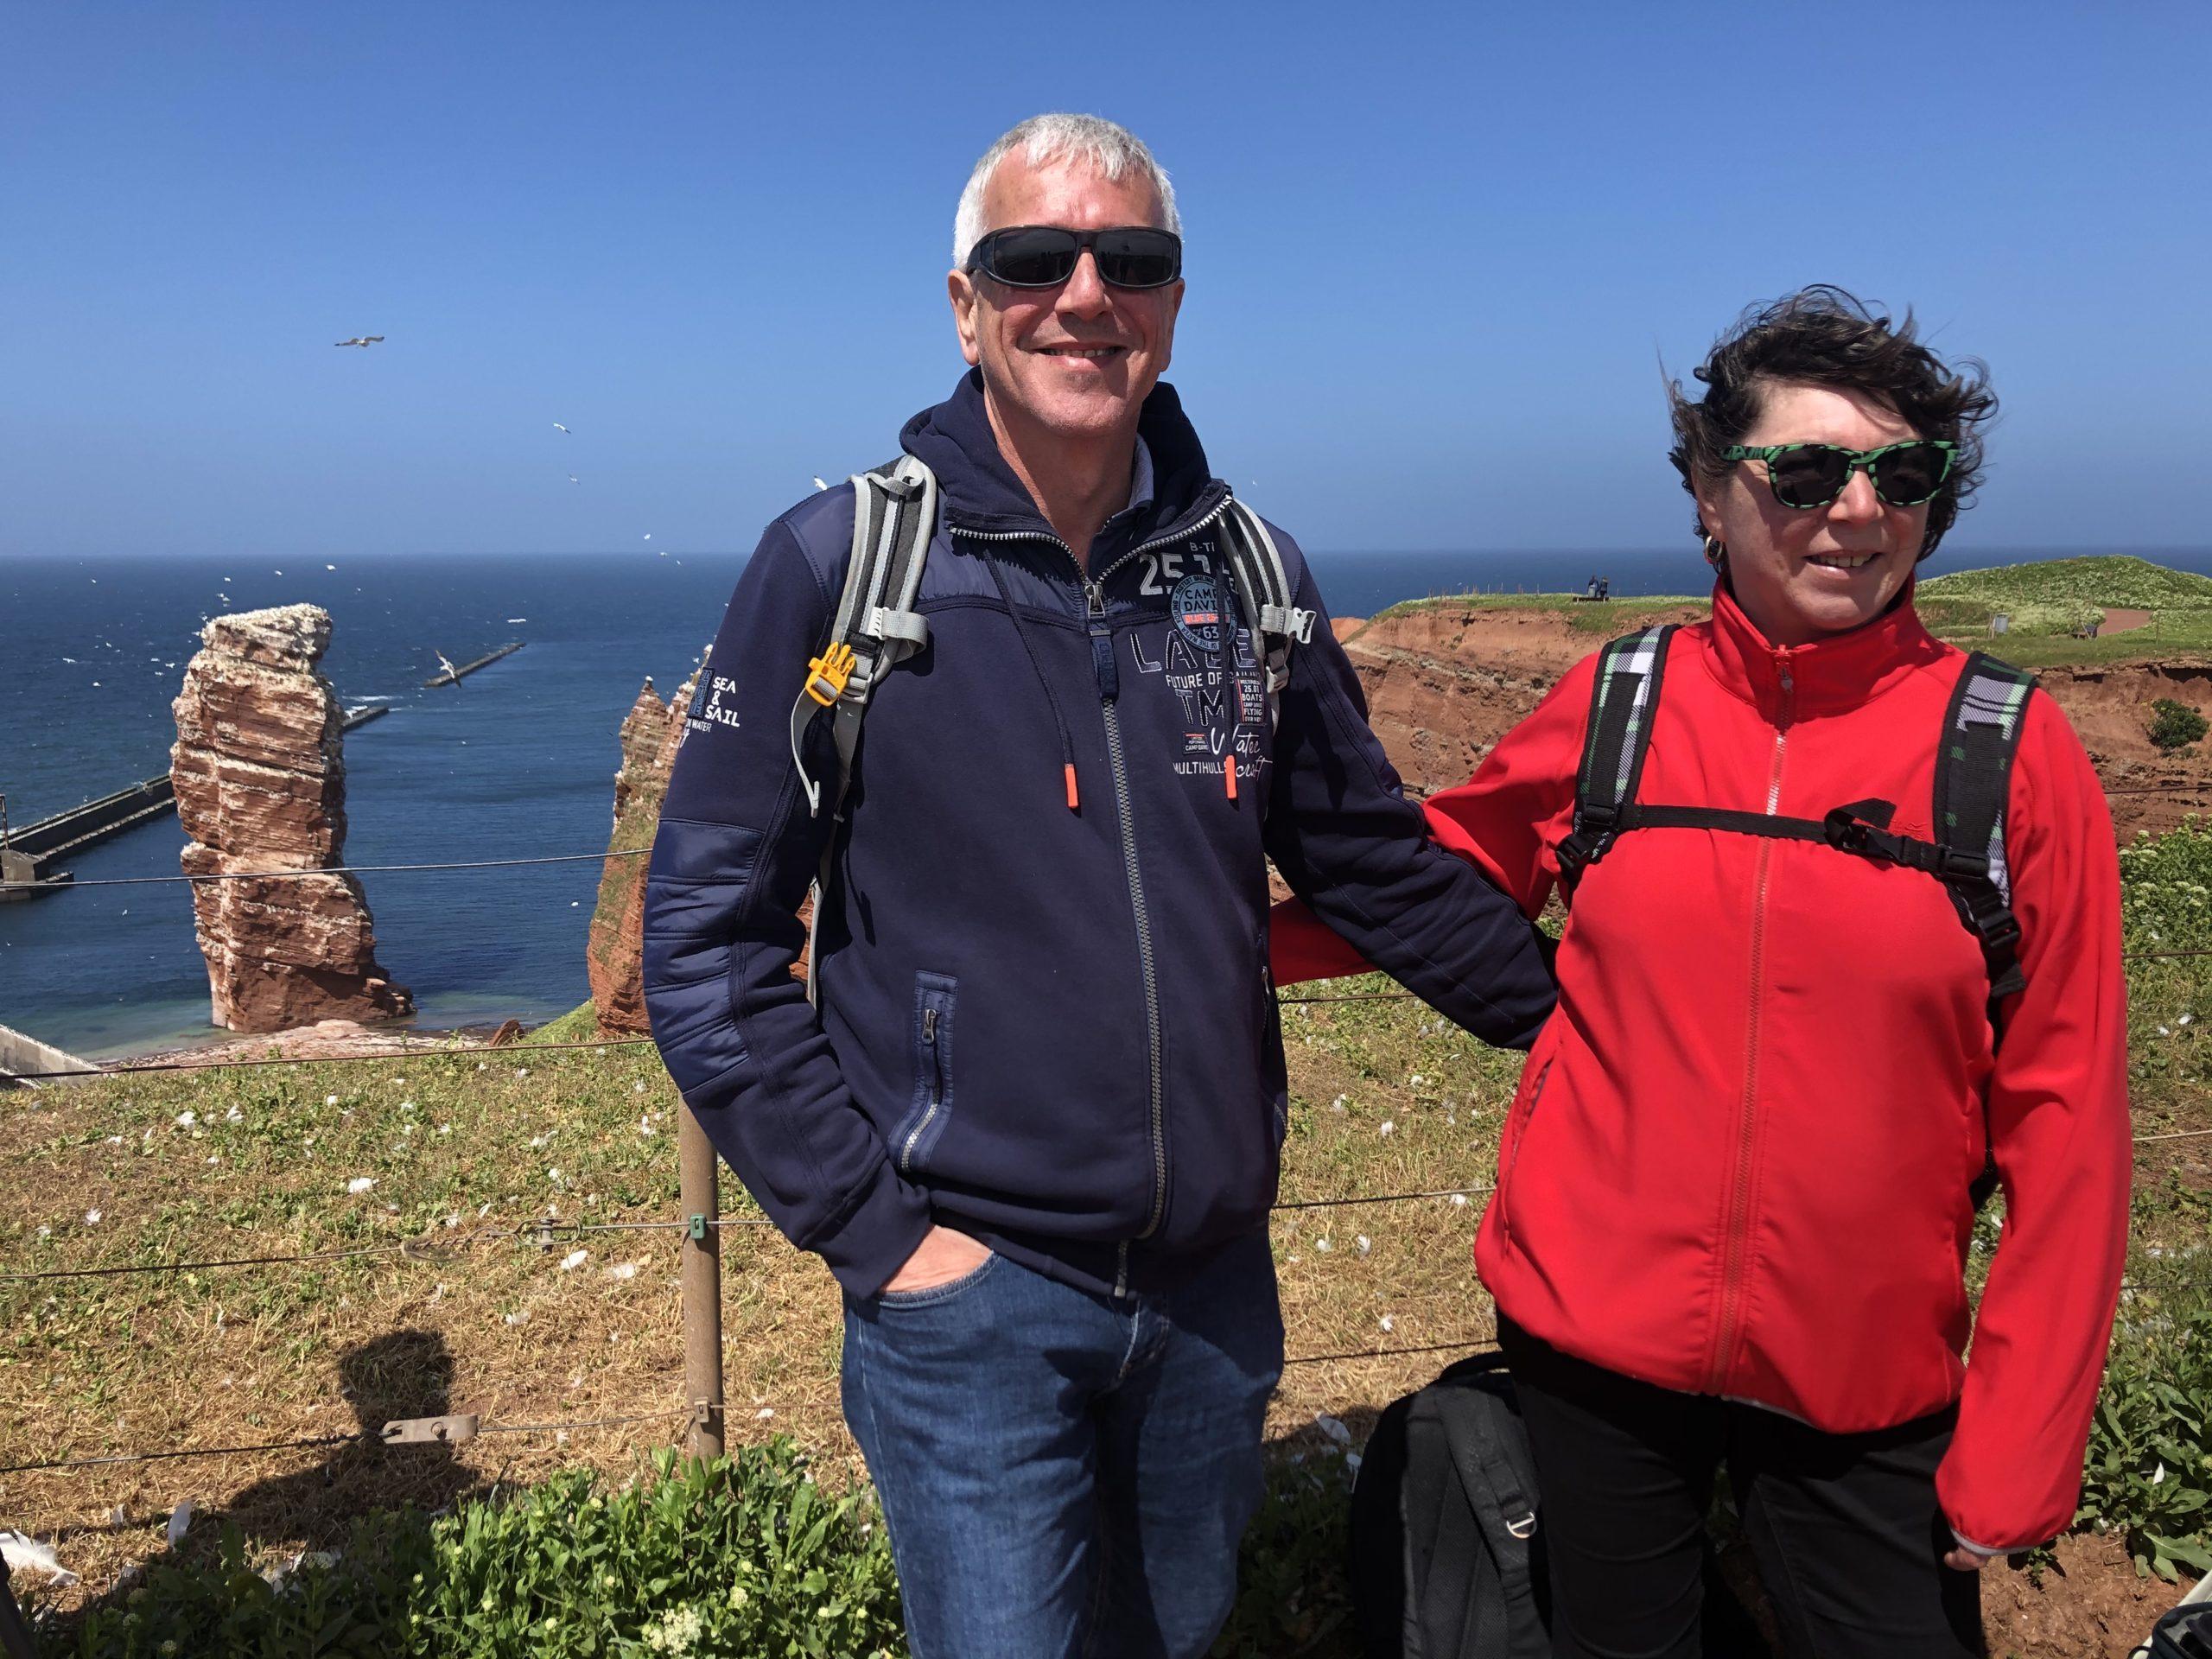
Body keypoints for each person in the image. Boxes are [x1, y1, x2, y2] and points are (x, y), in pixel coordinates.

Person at [643, 112, 1554, 1659]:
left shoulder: (1248, 574)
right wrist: (880, 1237)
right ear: (965, 305)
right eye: (1033, 261)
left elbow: (1370, 861)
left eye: (1130, 261)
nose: (1083, 296)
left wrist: (1591, 1019)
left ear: (1174, 303)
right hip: (969, 1298)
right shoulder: (842, 565)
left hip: (1211, 1290)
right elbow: (704, 941)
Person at [1272, 288, 2130, 1658]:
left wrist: (2023, 1443)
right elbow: (1429, 881)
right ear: (1708, 495)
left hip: (1865, 1369)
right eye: (1807, 472)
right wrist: (1195, 940)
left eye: (1904, 474)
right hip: (1592, 1339)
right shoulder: (1620, 703)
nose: (1860, 511)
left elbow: (2070, 1119)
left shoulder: (2011, 755)